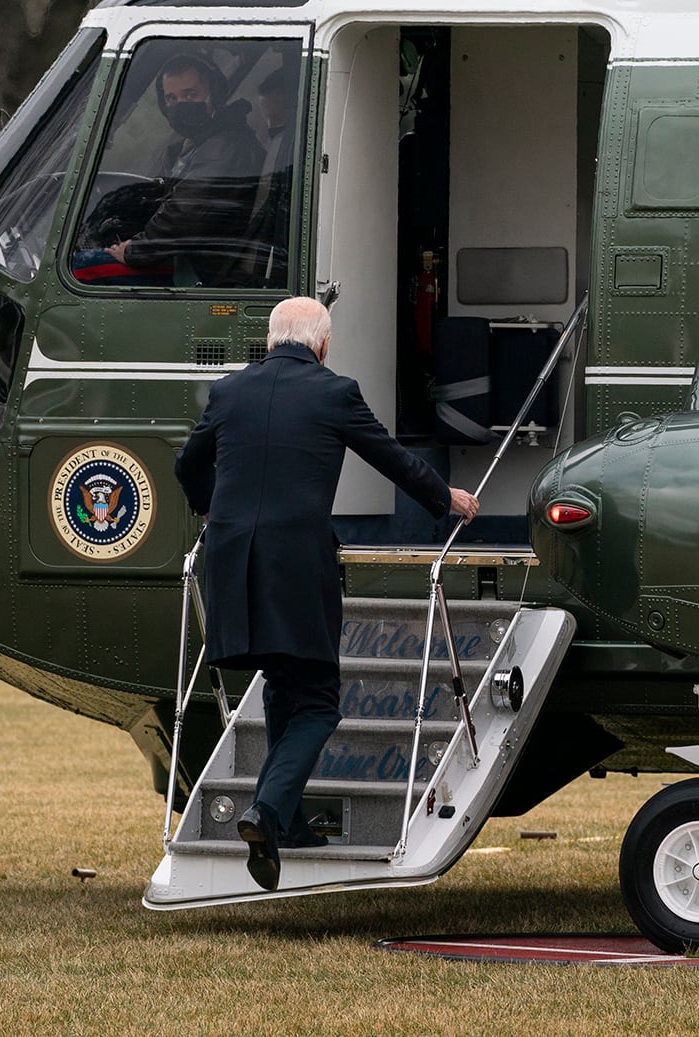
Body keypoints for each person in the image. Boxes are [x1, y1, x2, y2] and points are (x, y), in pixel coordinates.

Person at [174, 297, 477, 890]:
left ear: (268, 341)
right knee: (317, 700)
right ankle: (265, 810)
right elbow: (390, 458)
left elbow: (188, 463)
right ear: (324, 344)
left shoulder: (229, 391)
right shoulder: (333, 392)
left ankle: (285, 826)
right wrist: (448, 498)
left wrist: (212, 509)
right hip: (294, 563)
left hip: (232, 563)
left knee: (285, 686)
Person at [104, 54, 265, 285]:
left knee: (79, 268)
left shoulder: (225, 147)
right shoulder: (193, 147)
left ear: (215, 96)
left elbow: (184, 216)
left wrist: (134, 251)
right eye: (171, 99)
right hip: (191, 257)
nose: (180, 105)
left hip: (204, 269)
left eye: (190, 94)